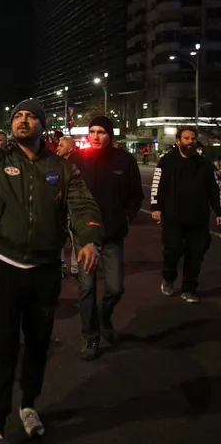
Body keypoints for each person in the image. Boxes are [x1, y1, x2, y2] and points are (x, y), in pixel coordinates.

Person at [0, 84, 103, 444]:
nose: (23, 120)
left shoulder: (62, 168)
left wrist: (89, 239)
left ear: (42, 125)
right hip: (5, 269)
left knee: (37, 344)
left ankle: (29, 404)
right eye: (18, 115)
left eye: (31, 116)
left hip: (45, 273)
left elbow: (83, 206)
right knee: (1, 347)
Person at [70, 116, 143, 360]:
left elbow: (135, 196)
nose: (96, 136)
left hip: (112, 235)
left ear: (110, 134)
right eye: (93, 131)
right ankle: (91, 338)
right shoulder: (77, 160)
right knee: (86, 288)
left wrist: (125, 219)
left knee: (115, 288)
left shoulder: (125, 160)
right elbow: (65, 193)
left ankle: (104, 316)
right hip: (84, 236)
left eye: (101, 131)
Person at [152, 126, 221, 303]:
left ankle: (189, 289)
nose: (190, 142)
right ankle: (168, 278)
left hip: (198, 218)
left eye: (193, 139)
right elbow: (157, 184)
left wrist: (218, 210)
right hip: (173, 217)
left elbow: (214, 189)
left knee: (196, 253)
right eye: (186, 138)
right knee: (172, 251)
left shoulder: (204, 164)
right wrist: (156, 207)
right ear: (178, 141)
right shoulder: (166, 162)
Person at [55, 136, 79, 276]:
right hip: (59, 210)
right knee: (58, 240)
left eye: (61, 145)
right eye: (58, 145)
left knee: (76, 240)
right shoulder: (55, 163)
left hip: (73, 210)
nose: (58, 148)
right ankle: (61, 267)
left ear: (70, 148)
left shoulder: (77, 164)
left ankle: (76, 269)